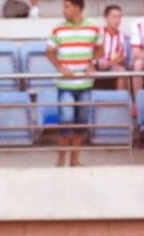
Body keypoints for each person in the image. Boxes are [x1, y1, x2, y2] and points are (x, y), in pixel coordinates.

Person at [47, 0, 102, 168]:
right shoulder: (58, 29)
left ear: (77, 7)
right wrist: (60, 68)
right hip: (65, 84)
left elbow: (100, 48)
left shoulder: (93, 29)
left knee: (81, 122)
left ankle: (74, 160)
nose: (64, 10)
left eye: (67, 6)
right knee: (66, 120)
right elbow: (49, 52)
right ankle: (61, 160)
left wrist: (92, 63)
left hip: (85, 83)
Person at [95, 4, 128, 91]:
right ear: (107, 18)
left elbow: (122, 58)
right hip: (97, 65)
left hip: (112, 65)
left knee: (122, 71)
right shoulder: (98, 34)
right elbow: (91, 53)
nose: (117, 20)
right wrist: (99, 63)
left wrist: (109, 63)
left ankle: (121, 101)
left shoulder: (121, 37)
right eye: (114, 17)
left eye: (119, 17)